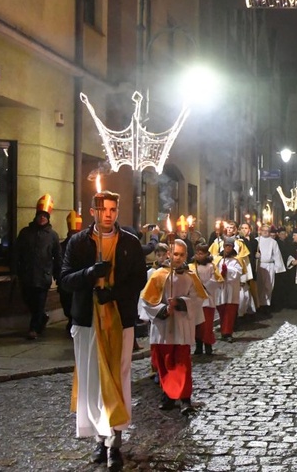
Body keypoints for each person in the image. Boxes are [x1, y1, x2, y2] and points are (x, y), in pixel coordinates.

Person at [60, 190, 147, 471]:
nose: (108, 214)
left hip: (118, 320)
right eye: (103, 209)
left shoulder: (130, 243)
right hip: (87, 320)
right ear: (93, 211)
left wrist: (114, 293)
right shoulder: (78, 242)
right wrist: (89, 274)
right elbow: (64, 279)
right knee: (93, 381)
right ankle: (100, 438)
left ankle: (115, 442)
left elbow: (138, 280)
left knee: (118, 378)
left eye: (113, 209)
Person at [140, 239, 206, 415]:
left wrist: (181, 302)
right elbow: (146, 300)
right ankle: (168, 396)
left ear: (186, 255)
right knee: (166, 363)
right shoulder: (158, 275)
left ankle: (185, 399)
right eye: (175, 254)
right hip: (164, 326)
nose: (178, 258)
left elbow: (198, 298)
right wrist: (162, 309)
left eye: (182, 254)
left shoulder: (190, 276)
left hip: (182, 324)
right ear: (169, 254)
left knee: (182, 363)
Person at [14, 194, 62, 340]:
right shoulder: (25, 233)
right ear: (36, 216)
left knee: (40, 302)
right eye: (40, 215)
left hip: (43, 276)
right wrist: (15, 270)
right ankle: (42, 318)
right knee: (28, 300)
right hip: (27, 275)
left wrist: (58, 274)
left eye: (45, 216)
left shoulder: (52, 235)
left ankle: (33, 329)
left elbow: (57, 256)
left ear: (48, 218)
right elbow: (17, 253)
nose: (42, 218)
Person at [189, 242, 221, 355]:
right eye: (197, 253)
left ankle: (208, 346)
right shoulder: (191, 267)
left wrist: (204, 285)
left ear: (206, 254)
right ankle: (198, 346)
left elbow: (216, 280)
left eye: (201, 253)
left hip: (207, 300)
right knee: (197, 325)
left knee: (207, 326)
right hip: (196, 300)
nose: (198, 255)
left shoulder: (211, 266)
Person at [59, 210, 82, 335]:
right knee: (67, 303)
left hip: (78, 281)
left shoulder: (84, 245)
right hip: (67, 281)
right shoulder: (62, 246)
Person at [214, 239, 242, 341]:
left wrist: (228, 270)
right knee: (222, 310)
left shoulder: (236, 260)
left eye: (230, 246)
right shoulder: (217, 259)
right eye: (226, 246)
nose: (228, 248)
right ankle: (223, 331)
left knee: (230, 311)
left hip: (231, 289)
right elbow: (214, 271)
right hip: (221, 288)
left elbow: (238, 272)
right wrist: (220, 272)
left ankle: (228, 332)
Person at [255, 224, 286, 310]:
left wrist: (278, 268)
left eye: (267, 230)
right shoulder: (256, 241)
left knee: (268, 285)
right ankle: (258, 304)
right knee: (259, 285)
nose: (265, 232)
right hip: (259, 265)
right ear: (260, 231)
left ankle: (266, 304)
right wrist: (255, 255)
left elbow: (277, 255)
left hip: (269, 265)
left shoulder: (273, 242)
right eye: (263, 230)